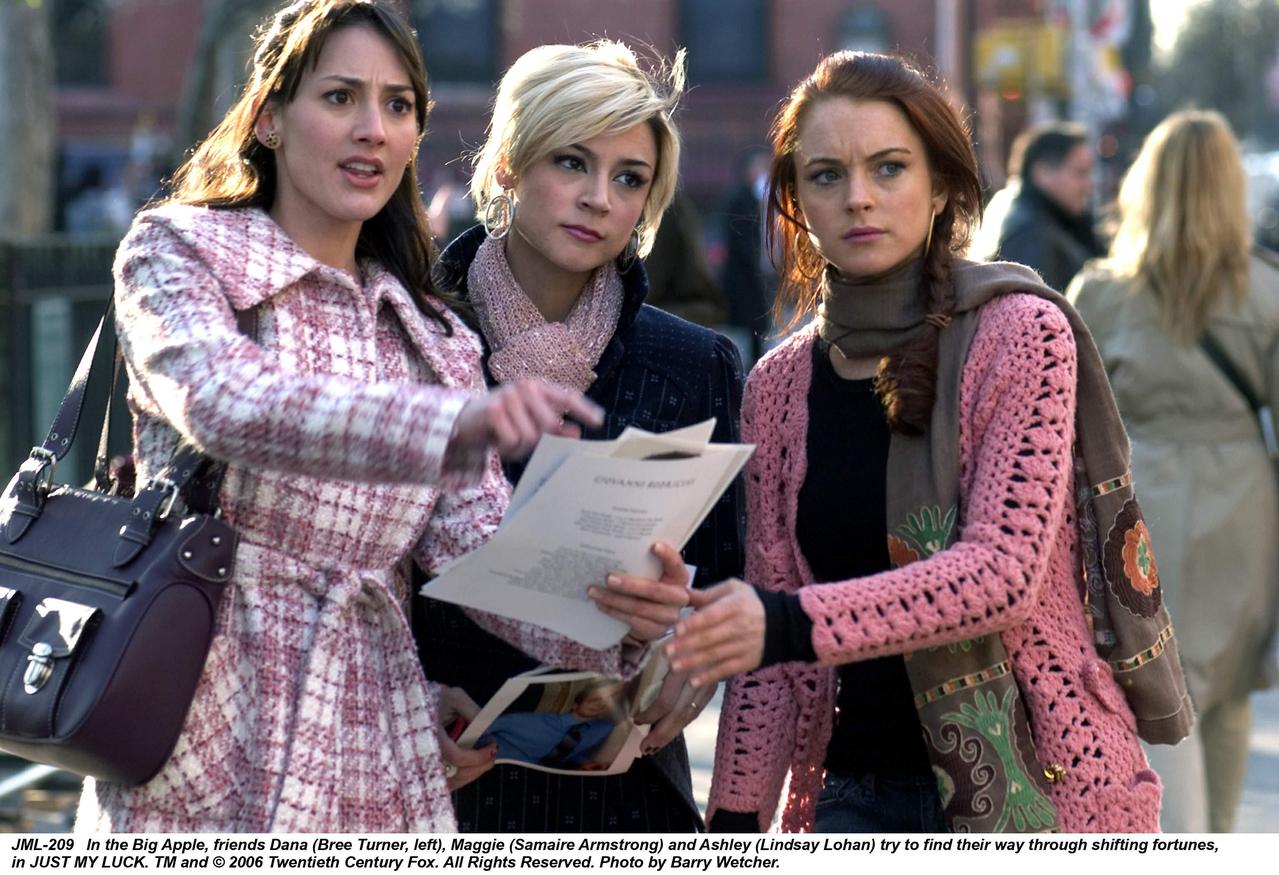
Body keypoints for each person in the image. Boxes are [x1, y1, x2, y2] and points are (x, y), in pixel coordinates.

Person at [75, 0, 688, 833]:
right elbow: (223, 402)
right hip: (198, 718)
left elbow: (488, 555)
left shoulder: (429, 332)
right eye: (340, 97)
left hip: (376, 742)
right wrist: (446, 426)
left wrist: (623, 610)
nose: (372, 129)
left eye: (397, 105)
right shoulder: (179, 249)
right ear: (269, 119)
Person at [664, 51, 1193, 834]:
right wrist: (733, 827)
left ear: (940, 186)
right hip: (851, 795)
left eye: (888, 167)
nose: (858, 197)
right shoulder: (777, 386)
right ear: (795, 200)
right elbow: (771, 660)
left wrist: (782, 620)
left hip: (1040, 785)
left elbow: (999, 574)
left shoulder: (1020, 334)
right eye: (826, 175)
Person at [416, 40, 745, 832]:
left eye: (628, 178)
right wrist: (408, 701)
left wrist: (685, 651)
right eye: (571, 162)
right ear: (508, 165)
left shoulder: (691, 363)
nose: (599, 198)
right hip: (438, 788)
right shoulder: (414, 334)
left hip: (625, 799)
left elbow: (727, 583)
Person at [1068, 110, 1279, 833]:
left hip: (1131, 502)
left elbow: (1066, 426)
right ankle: (1216, 836)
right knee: (1224, 697)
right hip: (1241, 501)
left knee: (1143, 686)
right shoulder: (1266, 291)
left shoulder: (1100, 292)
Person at [985, 122, 1104, 291]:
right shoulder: (1030, 235)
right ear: (1043, 173)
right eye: (1080, 173)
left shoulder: (1015, 211)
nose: (1089, 185)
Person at [720, 147, 774, 364]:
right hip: (742, 275)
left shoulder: (755, 198)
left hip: (751, 275)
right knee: (751, 323)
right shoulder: (740, 199)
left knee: (755, 326)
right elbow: (741, 241)